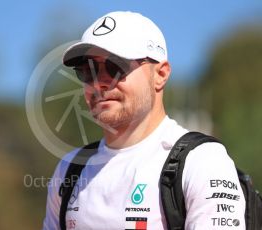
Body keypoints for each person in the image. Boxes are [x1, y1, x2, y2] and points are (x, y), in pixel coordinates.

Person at [43, 11, 245, 229]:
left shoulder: (202, 161)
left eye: (114, 67)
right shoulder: (70, 169)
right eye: (87, 71)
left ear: (160, 75)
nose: (99, 83)